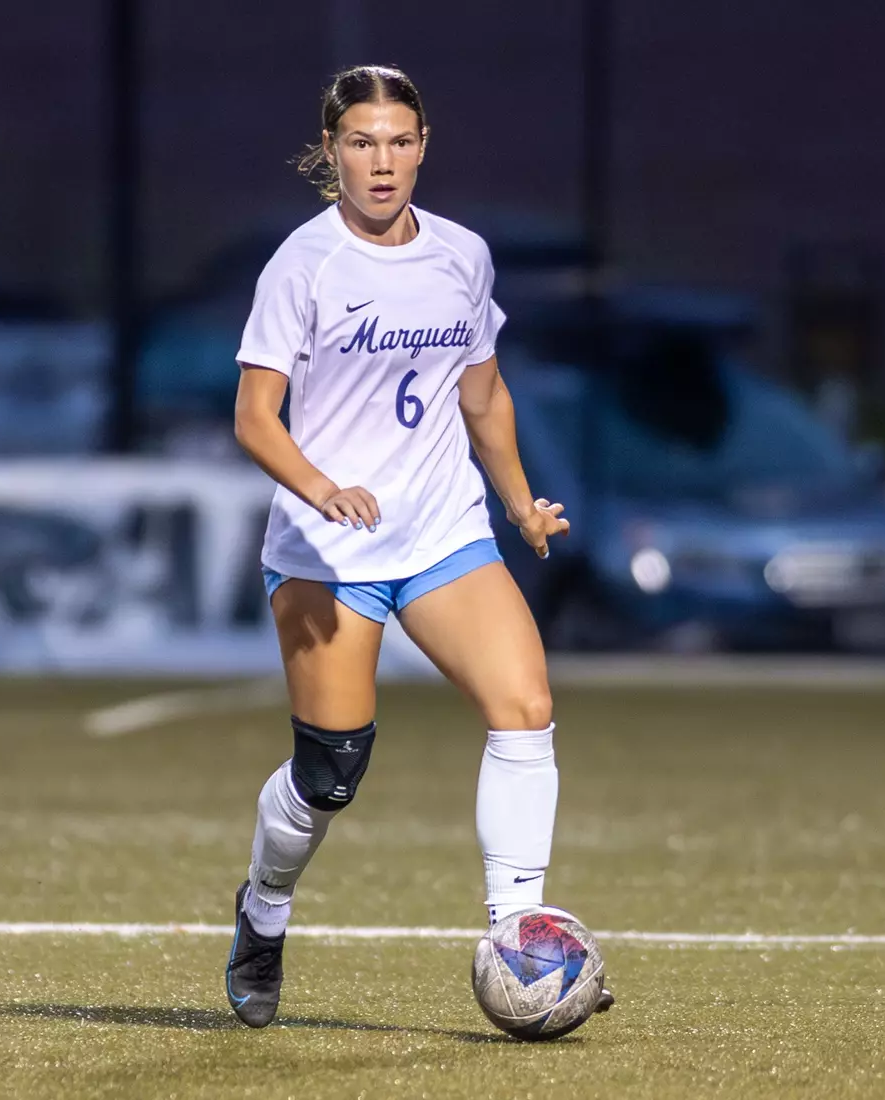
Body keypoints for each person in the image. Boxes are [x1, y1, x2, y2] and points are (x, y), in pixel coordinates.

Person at [225, 64, 610, 1028]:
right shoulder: (301, 266)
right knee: (331, 775)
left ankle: (519, 935)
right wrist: (323, 488)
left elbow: (481, 395)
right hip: (327, 551)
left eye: (399, 141)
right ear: (331, 153)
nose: (382, 161)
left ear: (424, 146)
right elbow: (254, 418)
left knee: (524, 706)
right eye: (361, 142)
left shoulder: (462, 256)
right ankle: (263, 912)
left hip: (441, 531)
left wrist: (519, 505)